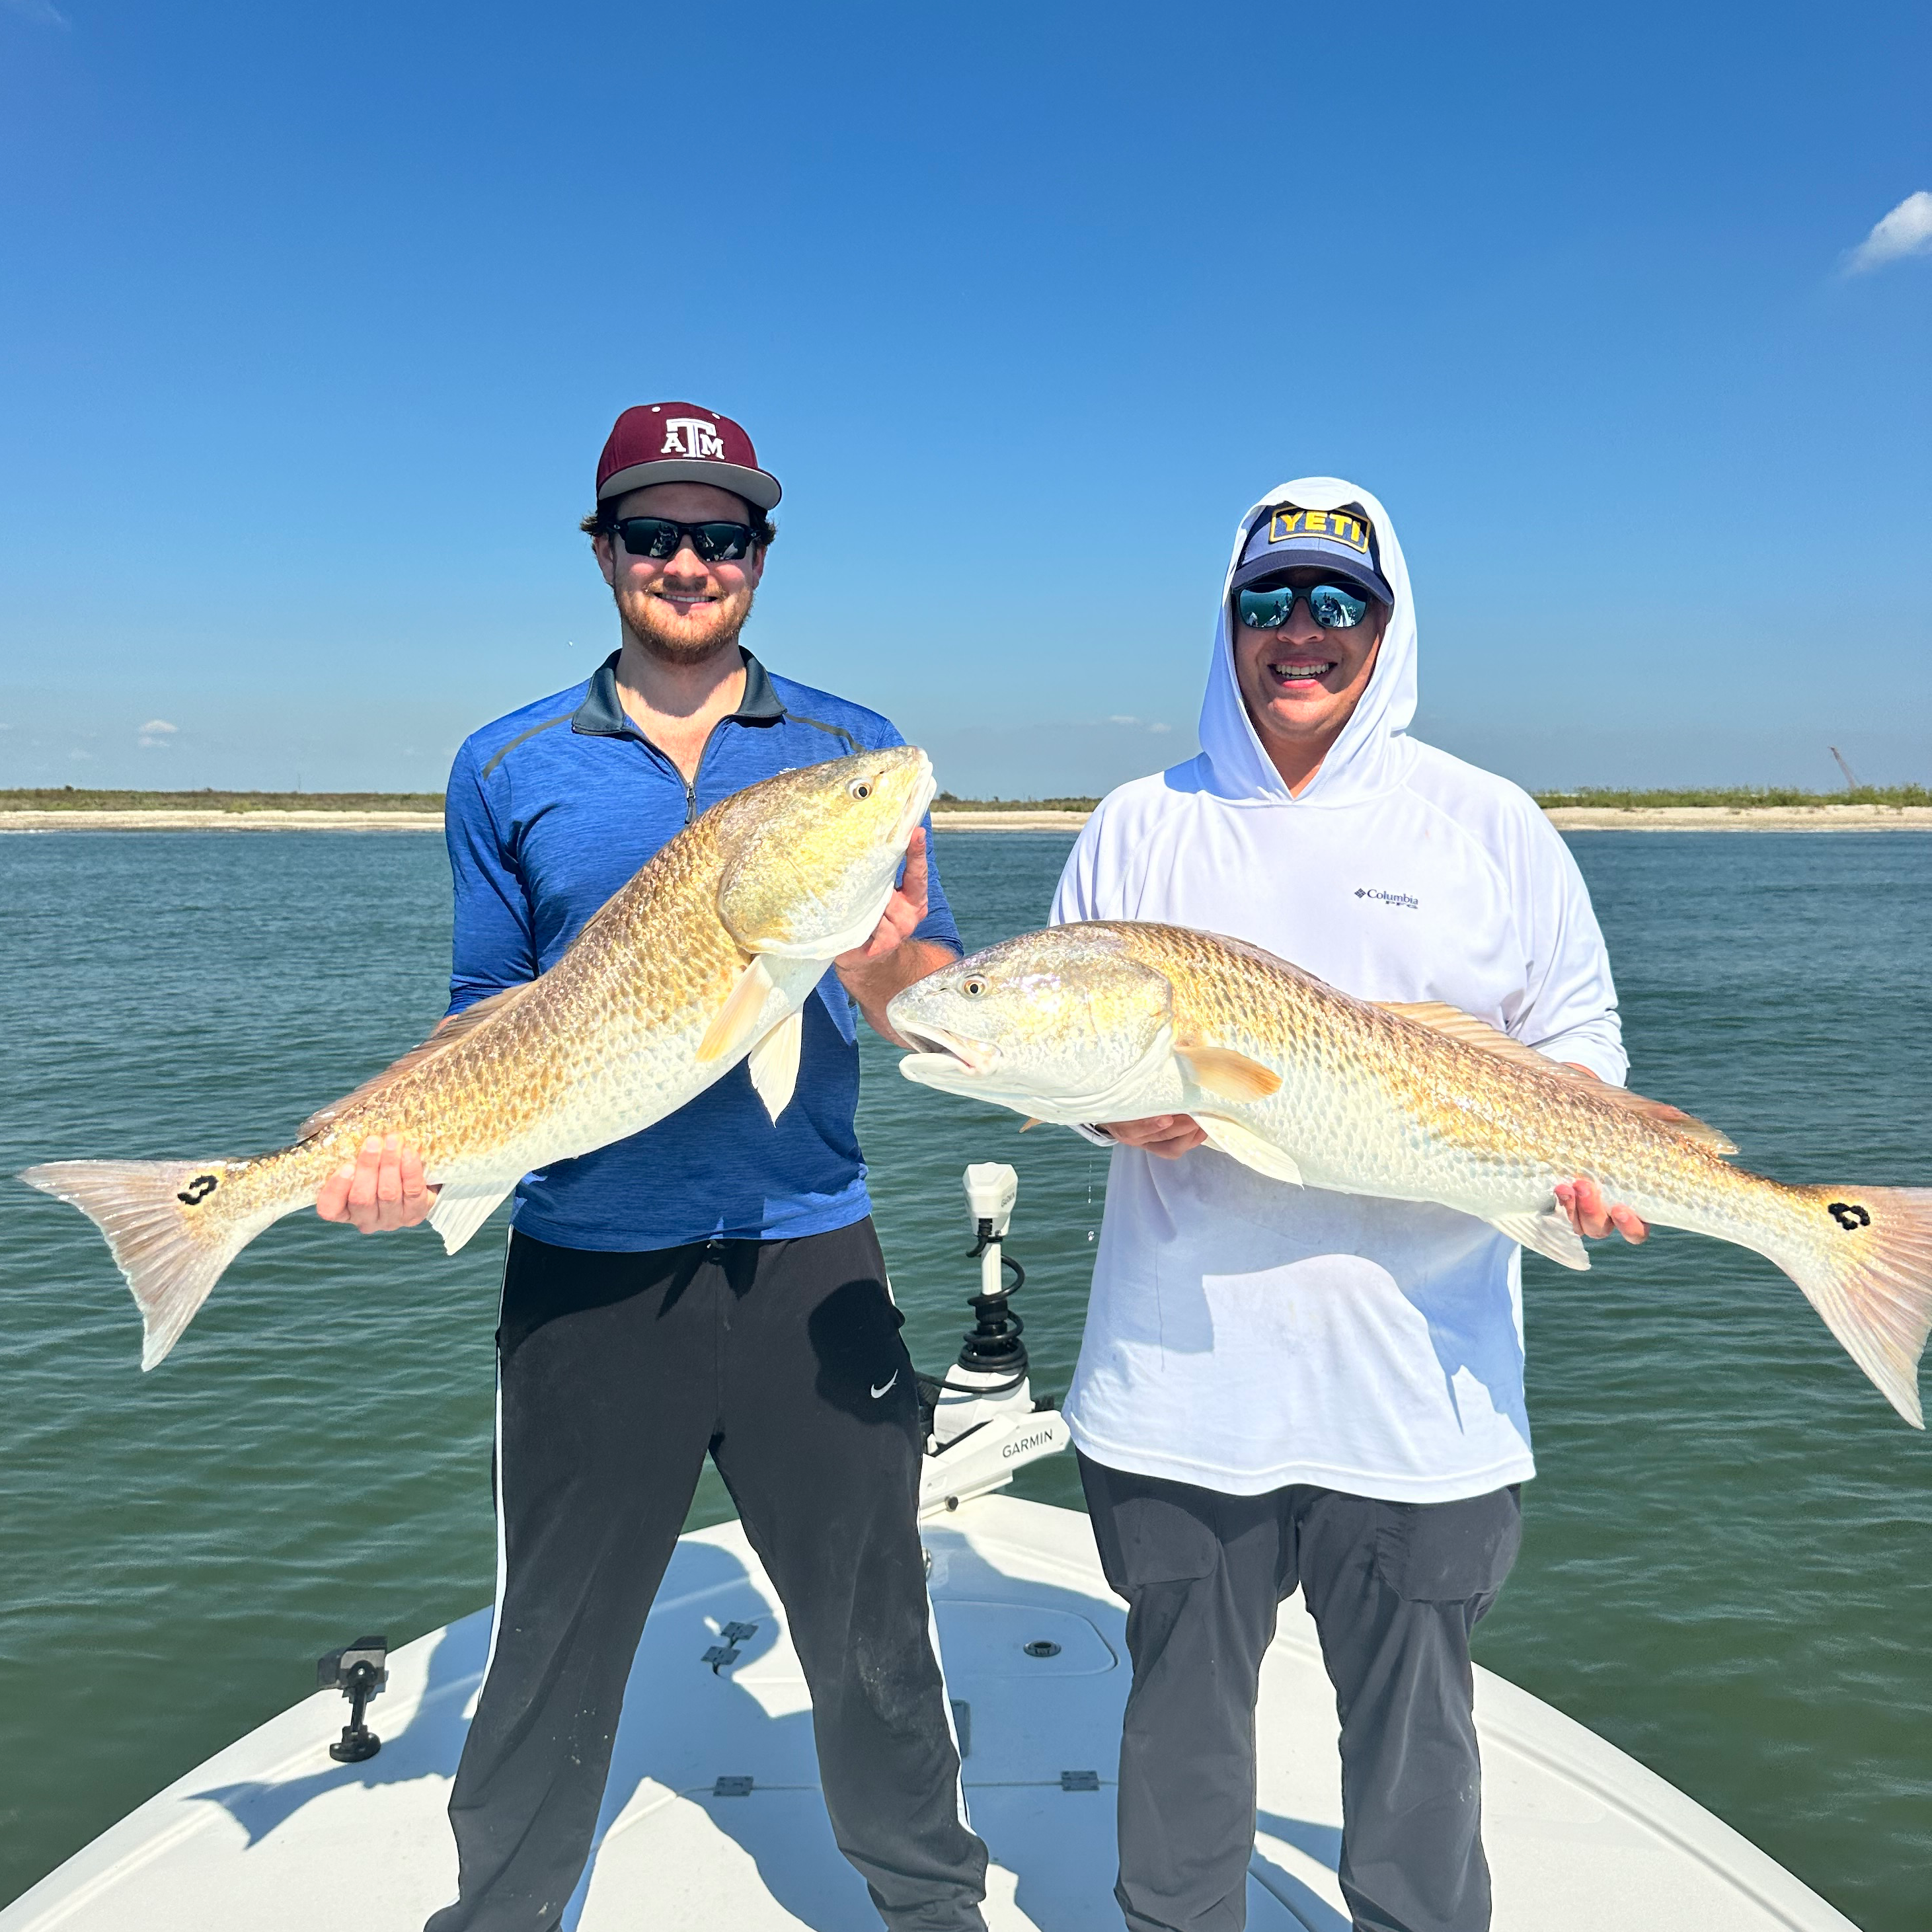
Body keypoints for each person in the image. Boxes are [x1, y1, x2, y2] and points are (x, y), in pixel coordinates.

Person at [317, 403, 989, 1932]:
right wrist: (400, 1153)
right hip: (586, 1269)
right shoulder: (507, 764)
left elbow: (922, 991)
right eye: (655, 532)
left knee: (878, 1642)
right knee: (551, 1645)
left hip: (811, 1250)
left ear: (760, 553)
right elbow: (487, 1010)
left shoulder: (848, 755)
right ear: (606, 548)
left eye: (722, 534)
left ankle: (934, 1912)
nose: (689, 561)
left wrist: (884, 966)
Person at [1049, 479, 1646, 1932]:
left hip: (1420, 1401)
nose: (1300, 632)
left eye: (1337, 603)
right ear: (1229, 621)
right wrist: (1097, 1110)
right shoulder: (1138, 825)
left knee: (1418, 1787)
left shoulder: (1488, 823)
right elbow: (1056, 1038)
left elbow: (1580, 1035)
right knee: (1181, 1772)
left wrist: (1590, 1146)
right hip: (1179, 1396)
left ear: (1388, 625)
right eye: (1268, 601)